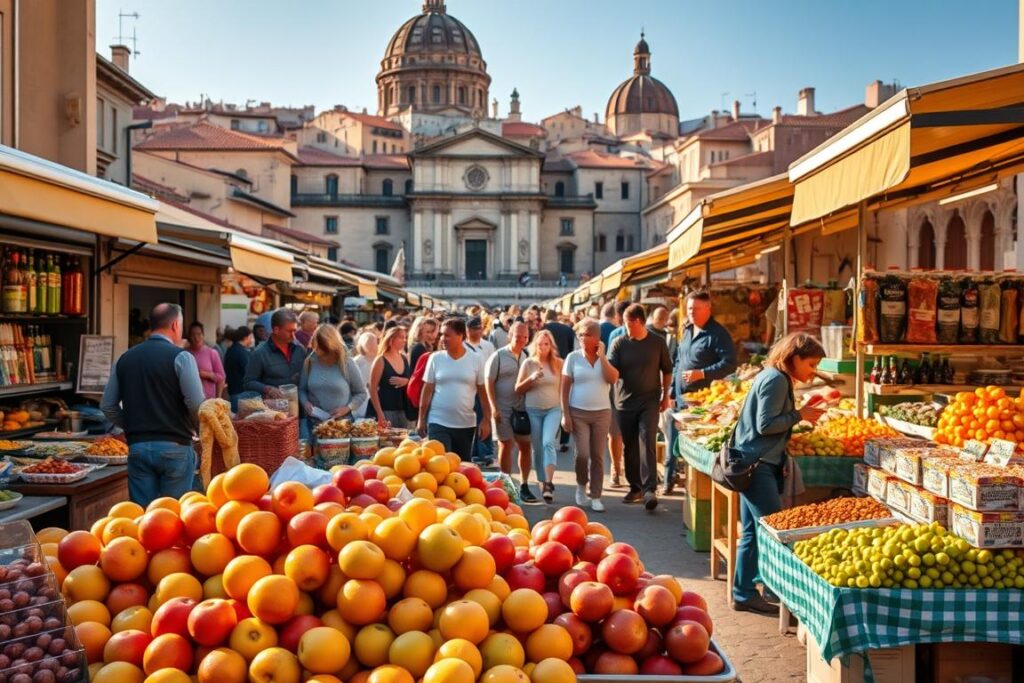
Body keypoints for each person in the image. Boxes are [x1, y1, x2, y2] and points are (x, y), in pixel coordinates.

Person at [731, 333, 826, 615]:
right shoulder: (776, 380)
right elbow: (765, 425)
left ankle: (744, 592)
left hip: (753, 462)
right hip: (757, 466)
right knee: (776, 532)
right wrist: (800, 415)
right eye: (811, 363)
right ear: (794, 358)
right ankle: (770, 590)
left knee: (752, 531)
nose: (813, 371)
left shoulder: (772, 375)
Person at [100, 303, 205, 506]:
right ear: (175, 325)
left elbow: (108, 406)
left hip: (138, 448)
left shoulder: (125, 359)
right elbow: (195, 403)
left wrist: (132, 425)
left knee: (142, 518)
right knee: (172, 516)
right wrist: (199, 430)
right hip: (175, 447)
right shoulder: (182, 357)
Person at [608, 304, 673, 511]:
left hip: (650, 401)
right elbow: (612, 372)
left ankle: (649, 489)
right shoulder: (619, 343)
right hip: (625, 402)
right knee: (630, 446)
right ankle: (635, 486)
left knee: (647, 441)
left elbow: (667, 370)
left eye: (628, 324)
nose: (626, 329)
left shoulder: (658, 342)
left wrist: (665, 396)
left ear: (639, 322)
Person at [561, 318, 618, 512]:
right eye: (579, 335)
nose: (581, 338)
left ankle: (596, 496)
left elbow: (612, 379)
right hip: (578, 412)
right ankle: (580, 485)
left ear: (596, 338)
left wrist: (602, 357)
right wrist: (565, 414)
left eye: (584, 334)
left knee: (597, 455)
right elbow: (564, 387)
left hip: (602, 412)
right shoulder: (573, 358)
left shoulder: (605, 357)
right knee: (582, 454)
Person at [417, 318, 490, 460]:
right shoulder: (435, 358)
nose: (443, 339)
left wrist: (486, 420)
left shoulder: (476, 359)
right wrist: (421, 419)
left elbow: (482, 393)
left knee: (461, 468)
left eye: (447, 335)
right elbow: (427, 390)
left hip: (466, 424)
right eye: (442, 335)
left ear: (461, 336)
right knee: (440, 463)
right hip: (438, 421)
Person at [485, 321, 537, 503]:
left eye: (525, 337)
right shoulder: (498, 356)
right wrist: (493, 408)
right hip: (503, 409)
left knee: (525, 446)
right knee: (505, 445)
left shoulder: (527, 356)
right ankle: (505, 485)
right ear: (510, 336)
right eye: (518, 336)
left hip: (522, 409)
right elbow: (488, 382)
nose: (522, 340)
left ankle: (524, 485)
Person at [515, 329, 562, 502]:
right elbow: (518, 389)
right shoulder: (528, 363)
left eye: (546, 344)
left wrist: (567, 413)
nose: (543, 347)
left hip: (553, 409)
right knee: (538, 449)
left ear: (551, 346)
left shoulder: (558, 363)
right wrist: (532, 378)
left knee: (548, 442)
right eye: (540, 344)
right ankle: (543, 482)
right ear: (535, 345)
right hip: (533, 410)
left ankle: (548, 482)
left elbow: (564, 389)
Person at [299, 325, 368, 429]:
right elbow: (302, 389)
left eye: (321, 349)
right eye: (316, 347)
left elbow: (361, 393)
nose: (317, 352)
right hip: (314, 426)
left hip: (342, 426)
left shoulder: (347, 363)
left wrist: (347, 408)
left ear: (331, 347)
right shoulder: (309, 361)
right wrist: (305, 403)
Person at [676, 291, 737, 394]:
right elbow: (678, 361)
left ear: (708, 309)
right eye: (690, 308)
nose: (692, 312)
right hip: (679, 398)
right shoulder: (686, 330)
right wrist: (672, 391)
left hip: (702, 400)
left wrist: (702, 373)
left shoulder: (718, 333)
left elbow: (730, 364)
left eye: (697, 309)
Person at [243, 308, 306, 398]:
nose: (293, 335)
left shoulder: (300, 350)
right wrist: (267, 389)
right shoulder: (259, 354)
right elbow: (248, 382)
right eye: (289, 331)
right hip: (273, 409)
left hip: (298, 407)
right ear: (276, 330)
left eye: (294, 331)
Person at [369, 326, 412, 427]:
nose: (404, 340)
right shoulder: (380, 360)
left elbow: (411, 381)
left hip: (403, 411)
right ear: (391, 339)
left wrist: (407, 381)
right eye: (401, 337)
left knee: (404, 442)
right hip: (385, 411)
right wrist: (380, 414)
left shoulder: (404, 358)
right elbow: (372, 388)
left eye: (405, 337)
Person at [186, 321, 226, 401]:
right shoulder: (184, 353)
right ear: (189, 336)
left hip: (208, 400)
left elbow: (221, 377)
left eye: (199, 334)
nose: (196, 338)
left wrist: (207, 375)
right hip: (188, 400)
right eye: (193, 334)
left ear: (203, 335)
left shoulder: (212, 353)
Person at [224, 326, 253, 412]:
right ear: (245, 337)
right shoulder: (243, 353)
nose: (252, 339)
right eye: (251, 337)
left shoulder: (229, 350)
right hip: (242, 394)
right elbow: (249, 373)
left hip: (232, 392)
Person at [350, 332, 377, 418]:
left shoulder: (379, 359)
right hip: (362, 401)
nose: (372, 345)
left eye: (374, 342)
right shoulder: (356, 361)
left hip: (378, 399)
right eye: (368, 343)